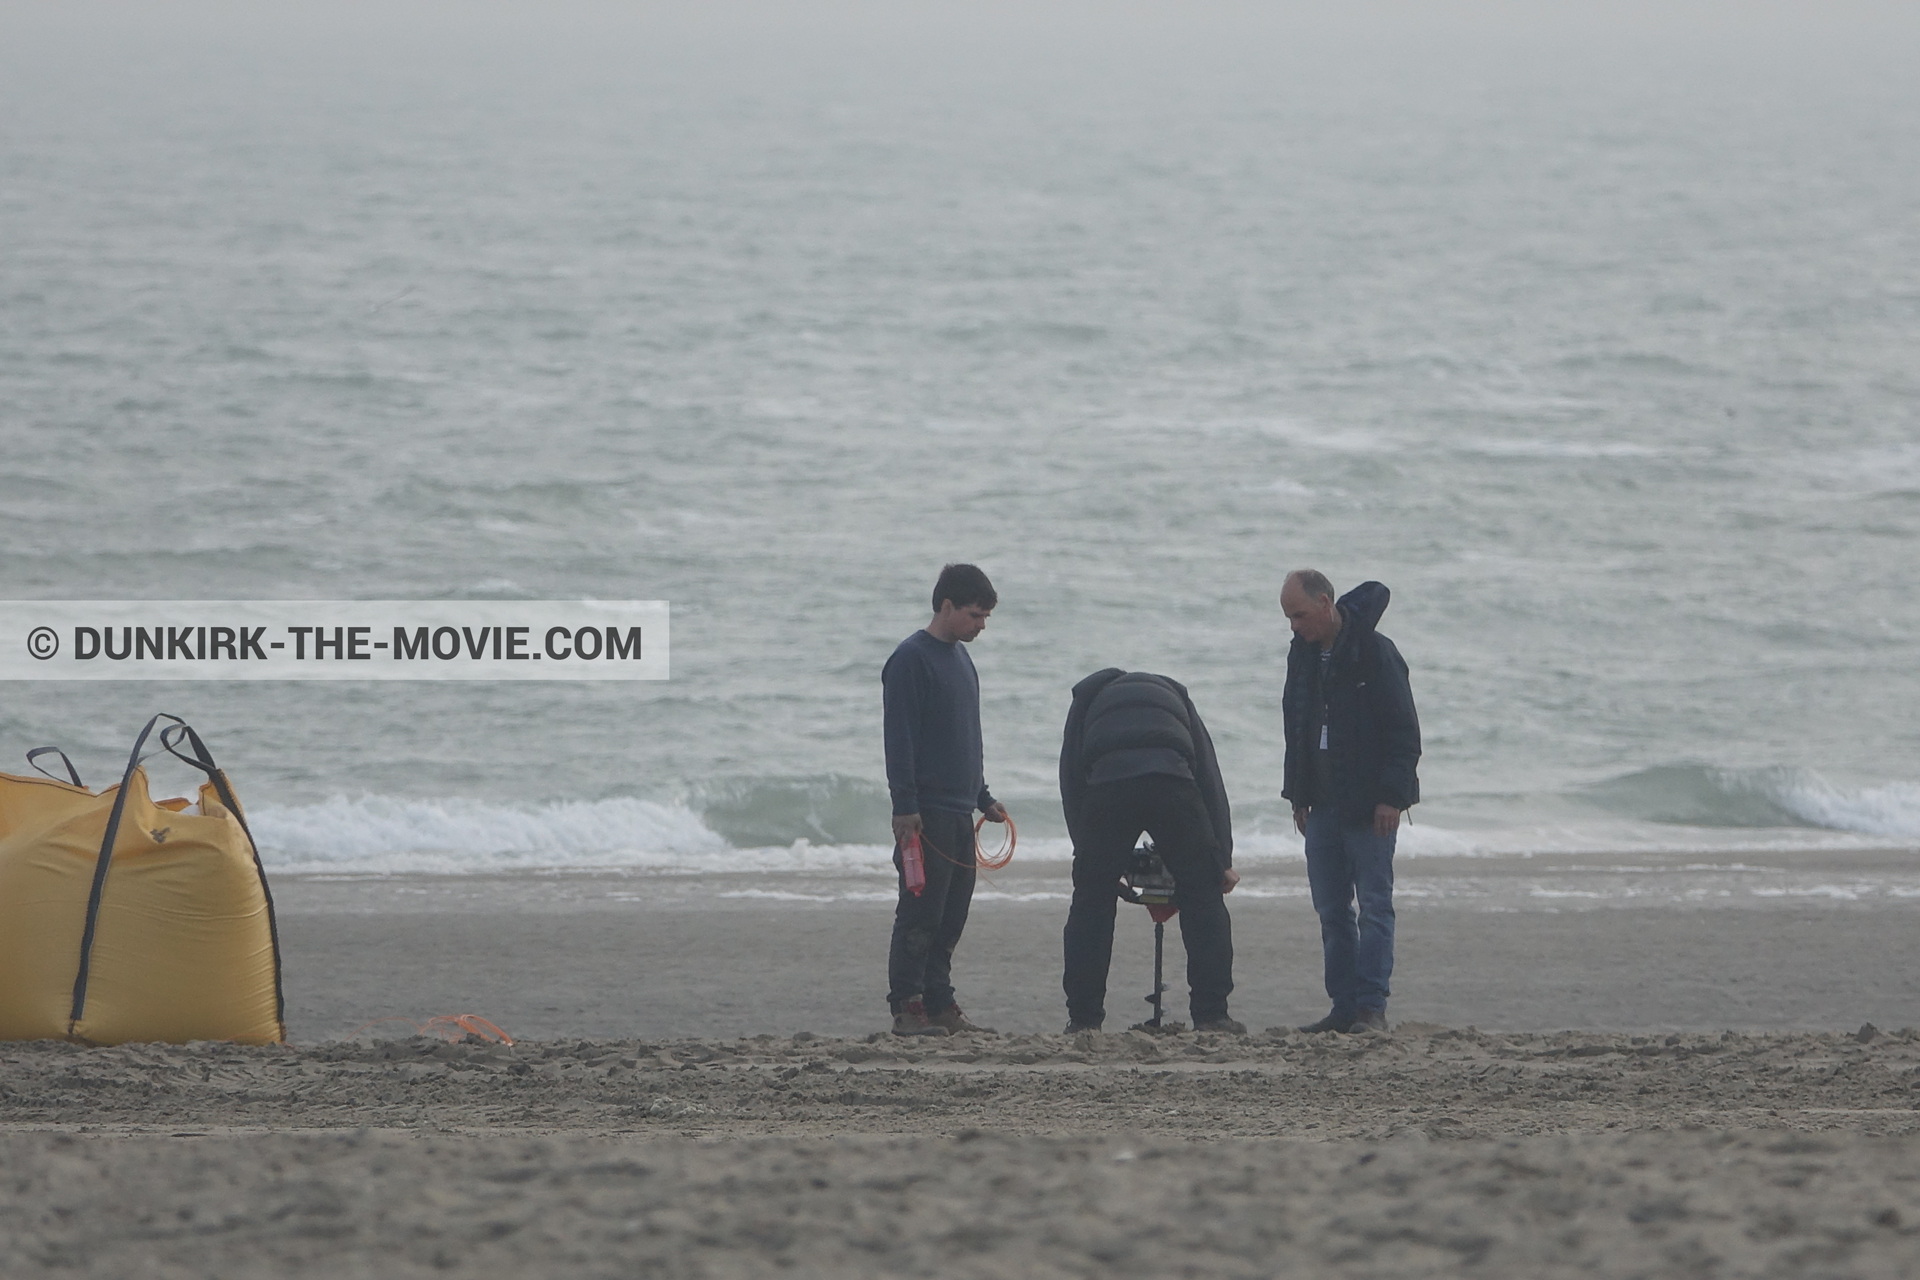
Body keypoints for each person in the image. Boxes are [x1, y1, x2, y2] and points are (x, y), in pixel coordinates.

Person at [1058, 669, 1243, 1034]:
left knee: (1091, 902)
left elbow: (1072, 780)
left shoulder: (1086, 702)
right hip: (1172, 782)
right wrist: (1220, 861)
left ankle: (1083, 1020)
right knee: (1203, 897)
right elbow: (1209, 778)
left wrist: (1092, 857)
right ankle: (1212, 1015)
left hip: (1108, 787)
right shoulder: (1177, 699)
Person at [1280, 570, 1421, 1035]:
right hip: (1320, 805)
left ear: (1325, 604)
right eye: (1287, 617)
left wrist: (1392, 798)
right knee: (1332, 912)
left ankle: (1371, 1009)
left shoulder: (1375, 653)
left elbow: (1404, 733)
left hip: (1369, 806)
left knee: (1375, 906)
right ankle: (1342, 1009)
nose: (1293, 625)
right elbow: (1295, 725)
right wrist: (1297, 792)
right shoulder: (1300, 655)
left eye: (1298, 615)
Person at [882, 563, 1009, 1037]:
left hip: (959, 810)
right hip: (924, 813)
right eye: (975, 615)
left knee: (952, 915)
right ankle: (907, 1006)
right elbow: (900, 738)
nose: (981, 626)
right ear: (947, 606)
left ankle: (939, 1002)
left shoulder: (962, 660)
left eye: (986, 618)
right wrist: (905, 807)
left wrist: (983, 797)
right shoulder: (910, 659)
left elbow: (965, 738)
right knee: (920, 913)